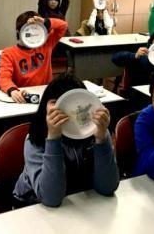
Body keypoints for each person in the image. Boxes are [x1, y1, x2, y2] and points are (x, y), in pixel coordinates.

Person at [13, 74, 119, 207]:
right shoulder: (35, 139)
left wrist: (102, 138)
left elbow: (108, 187)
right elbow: (51, 199)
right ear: (44, 106)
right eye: (54, 102)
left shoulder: (94, 131)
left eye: (71, 103)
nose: (63, 109)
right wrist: (53, 138)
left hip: (77, 203)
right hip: (34, 204)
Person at [0, 11, 68, 103]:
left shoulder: (46, 44)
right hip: (24, 96)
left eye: (36, 30)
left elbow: (63, 26)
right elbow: (4, 78)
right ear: (19, 32)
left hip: (45, 93)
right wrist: (13, 91)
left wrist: (45, 22)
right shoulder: (8, 53)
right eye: (28, 31)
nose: (33, 34)